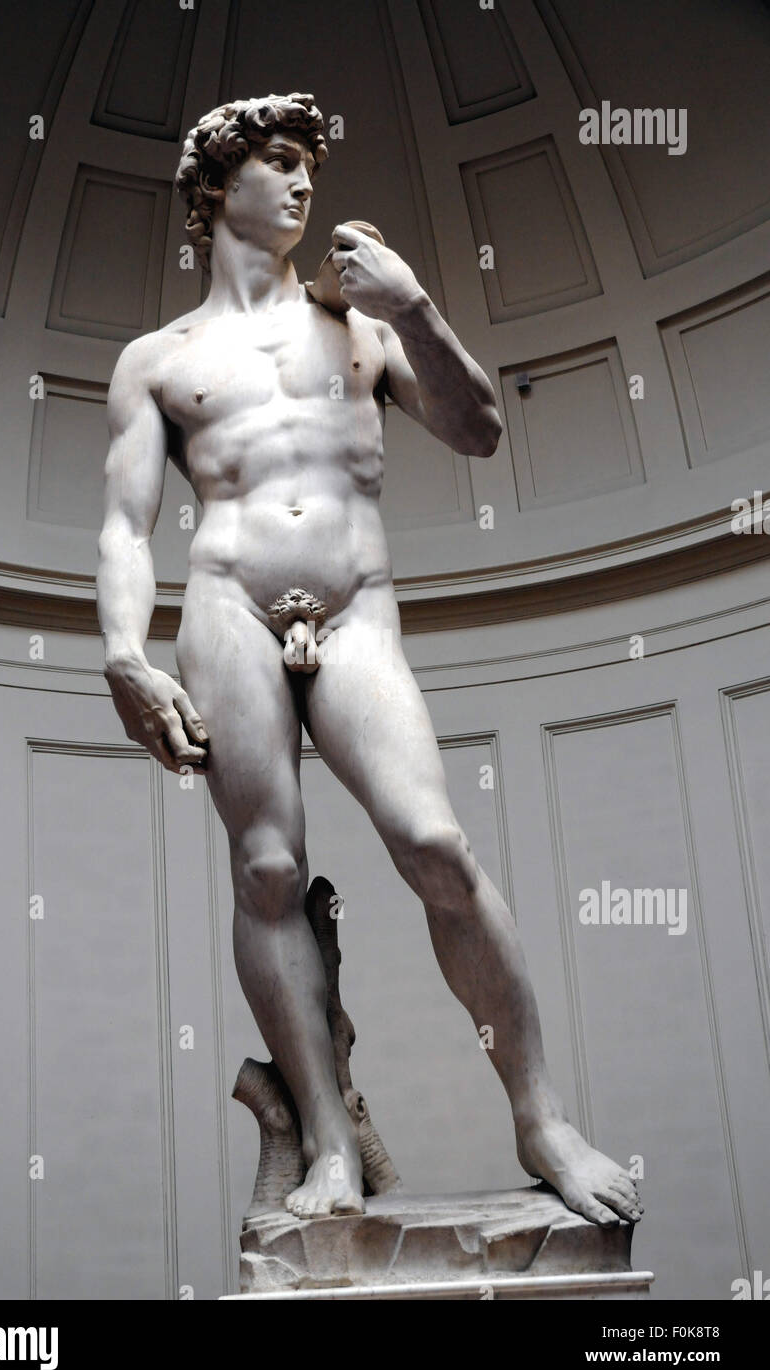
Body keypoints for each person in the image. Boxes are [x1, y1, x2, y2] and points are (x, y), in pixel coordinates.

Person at [96, 93, 643, 1226]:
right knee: (266, 873)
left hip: (355, 608)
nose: (303, 187)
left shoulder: (364, 323)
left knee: (434, 843)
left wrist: (420, 308)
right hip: (224, 607)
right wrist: (120, 656)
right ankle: (329, 1143)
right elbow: (122, 526)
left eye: (309, 168)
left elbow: (479, 429)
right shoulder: (158, 358)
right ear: (216, 188)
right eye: (282, 164)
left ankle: (538, 1117)